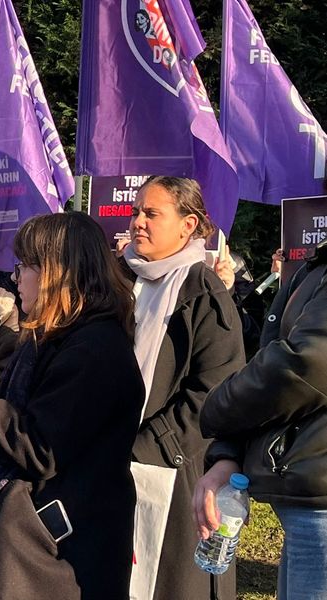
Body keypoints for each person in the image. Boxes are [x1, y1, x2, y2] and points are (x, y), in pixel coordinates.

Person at [0, 212, 144, 599]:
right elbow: (27, 416)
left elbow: (39, 445)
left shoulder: (94, 348)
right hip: (31, 548)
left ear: (58, 273)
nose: (15, 278)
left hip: (50, 554)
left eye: (25, 267)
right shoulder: (60, 338)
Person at [123, 176, 245, 600]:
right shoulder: (119, 282)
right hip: (110, 466)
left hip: (172, 474)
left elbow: (215, 390)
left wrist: (143, 447)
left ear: (188, 225)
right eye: (137, 210)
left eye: (151, 213)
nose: (138, 221)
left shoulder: (203, 293)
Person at [195, 240, 327, 600]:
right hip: (306, 501)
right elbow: (271, 359)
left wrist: (214, 410)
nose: (138, 221)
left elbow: (301, 367)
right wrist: (228, 451)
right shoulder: (313, 267)